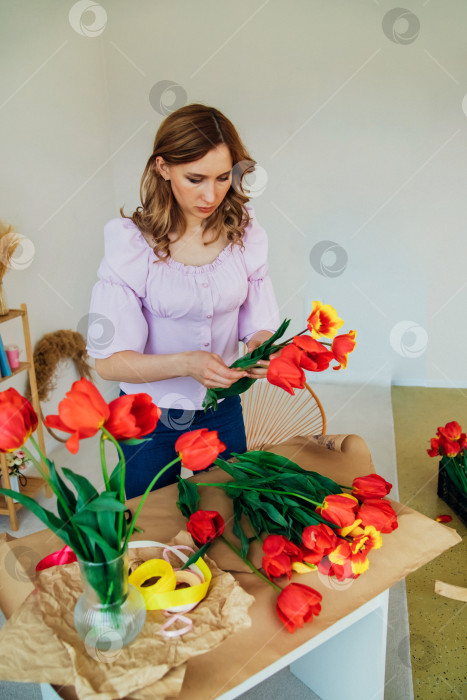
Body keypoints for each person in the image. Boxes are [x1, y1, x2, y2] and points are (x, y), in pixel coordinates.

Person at [86, 103, 280, 498]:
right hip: (148, 417)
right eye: (195, 178)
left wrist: (261, 344)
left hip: (222, 410)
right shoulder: (132, 244)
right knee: (147, 529)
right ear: (163, 168)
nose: (211, 194)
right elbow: (107, 363)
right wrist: (186, 363)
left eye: (223, 177)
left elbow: (257, 320)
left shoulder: (244, 232)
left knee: (230, 514)